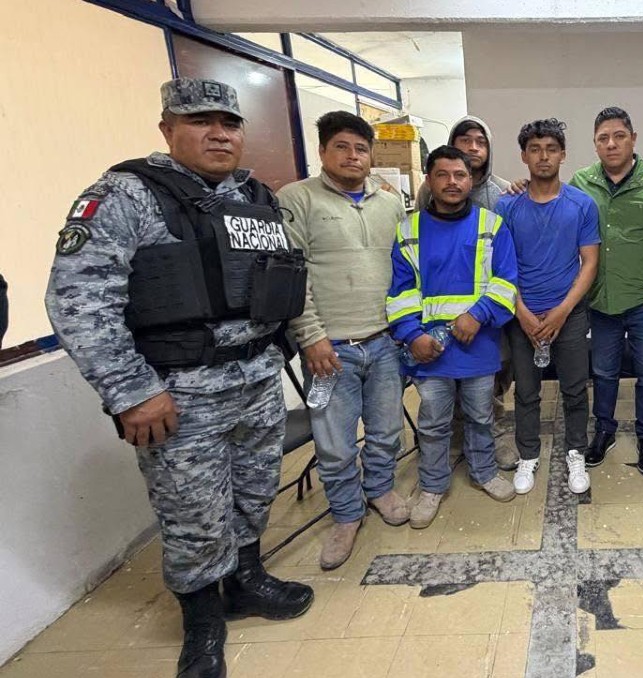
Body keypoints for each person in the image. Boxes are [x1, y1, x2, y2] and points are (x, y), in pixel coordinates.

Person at [44, 78, 314, 678]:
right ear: (167, 129)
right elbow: (77, 299)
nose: (220, 133)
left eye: (230, 123)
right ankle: (202, 626)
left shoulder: (258, 198)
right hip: (178, 392)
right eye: (200, 122)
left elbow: (281, 283)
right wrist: (131, 390)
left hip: (257, 380)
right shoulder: (125, 195)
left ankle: (246, 582)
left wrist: (298, 345)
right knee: (192, 513)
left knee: (253, 492)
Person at [278, 111, 410, 571]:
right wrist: (311, 337)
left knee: (386, 429)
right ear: (322, 151)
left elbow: (406, 269)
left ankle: (379, 490)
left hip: (385, 342)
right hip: (327, 350)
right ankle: (345, 515)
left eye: (360, 148)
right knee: (333, 442)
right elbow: (293, 279)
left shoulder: (389, 204)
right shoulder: (296, 200)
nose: (353, 156)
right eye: (342, 147)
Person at [386, 145, 519, 528]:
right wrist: (412, 335)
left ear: (471, 179)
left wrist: (478, 315)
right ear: (429, 179)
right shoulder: (409, 231)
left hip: (478, 347)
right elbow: (401, 292)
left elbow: (506, 281)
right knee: (432, 422)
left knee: (480, 417)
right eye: (442, 175)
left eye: (459, 175)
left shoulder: (490, 225)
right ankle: (432, 485)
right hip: (430, 352)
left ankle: (483, 472)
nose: (452, 182)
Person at [569, 106, 643, 477]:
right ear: (595, 143)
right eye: (603, 138)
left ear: (633, 139)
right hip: (602, 301)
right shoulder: (580, 183)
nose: (611, 144)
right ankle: (604, 430)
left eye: (619, 136)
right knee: (603, 373)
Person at [496, 119, 600, 495]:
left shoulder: (581, 204)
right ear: (524, 156)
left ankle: (575, 451)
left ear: (563, 155)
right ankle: (527, 454)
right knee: (526, 391)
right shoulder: (507, 206)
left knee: (574, 389)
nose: (543, 156)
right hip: (521, 315)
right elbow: (499, 266)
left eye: (551, 149)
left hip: (568, 316)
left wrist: (562, 311)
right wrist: (521, 312)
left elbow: (589, 262)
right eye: (535, 149)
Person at [418, 116, 519, 471]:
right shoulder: (427, 193)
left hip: (490, 311)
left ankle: (494, 434)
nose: (473, 147)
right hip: (441, 311)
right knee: (445, 380)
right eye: (465, 140)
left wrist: (484, 311)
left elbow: (507, 262)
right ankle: (456, 437)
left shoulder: (504, 193)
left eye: (481, 141)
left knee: (492, 379)